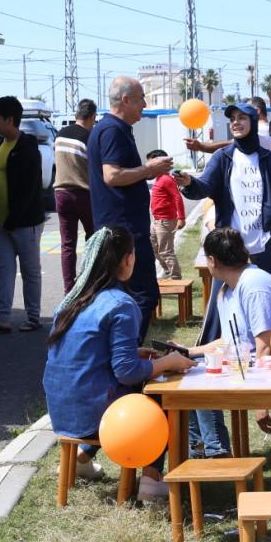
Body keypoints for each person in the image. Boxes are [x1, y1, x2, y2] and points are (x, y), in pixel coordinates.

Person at [43, 226, 194, 499]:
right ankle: (151, 481)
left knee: (120, 386)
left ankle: (81, 458)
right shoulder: (121, 304)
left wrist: (134, 352)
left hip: (62, 410)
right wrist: (169, 362)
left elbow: (85, 354)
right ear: (127, 260)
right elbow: (126, 373)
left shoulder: (70, 301)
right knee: (162, 394)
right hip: (96, 415)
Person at [174, 101, 271, 348]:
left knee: (267, 308)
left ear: (252, 122)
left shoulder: (269, 159)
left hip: (266, 246)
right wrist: (188, 182)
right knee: (223, 307)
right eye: (232, 119)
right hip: (231, 249)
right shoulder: (223, 157)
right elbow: (204, 186)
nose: (236, 123)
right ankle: (209, 354)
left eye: (242, 118)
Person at [190, 228, 271, 437]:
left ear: (212, 260)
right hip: (244, 365)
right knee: (186, 380)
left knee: (201, 389)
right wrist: (187, 352)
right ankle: (201, 449)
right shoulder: (227, 290)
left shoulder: (254, 286)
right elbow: (228, 341)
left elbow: (265, 347)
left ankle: (216, 452)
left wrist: (260, 403)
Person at [88, 76, 172, 342]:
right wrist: (150, 169)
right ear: (125, 100)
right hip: (124, 229)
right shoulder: (112, 130)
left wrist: (146, 173)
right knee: (144, 293)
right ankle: (127, 358)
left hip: (118, 226)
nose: (145, 105)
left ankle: (119, 357)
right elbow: (112, 176)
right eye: (140, 99)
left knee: (121, 296)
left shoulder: (111, 128)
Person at [0, 96, 46, 334]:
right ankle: (2, 318)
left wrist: (14, 219)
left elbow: (30, 189)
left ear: (10, 119)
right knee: (3, 269)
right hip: (1, 223)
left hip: (24, 223)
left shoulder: (27, 148)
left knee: (30, 271)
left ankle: (33, 317)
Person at [54, 98, 97, 288]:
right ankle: (90, 281)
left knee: (67, 245)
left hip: (61, 193)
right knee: (93, 239)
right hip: (84, 194)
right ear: (92, 117)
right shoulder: (89, 138)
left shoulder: (60, 135)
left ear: (76, 115)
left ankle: (69, 288)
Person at [184, 96, 271, 167]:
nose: (236, 122)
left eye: (246, 111)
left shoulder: (257, 130)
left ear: (257, 111)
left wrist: (201, 147)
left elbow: (229, 145)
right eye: (232, 119)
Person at [147, 149, 184, 280]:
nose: (149, 165)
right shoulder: (158, 179)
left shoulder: (166, 179)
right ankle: (168, 271)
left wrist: (181, 218)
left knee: (166, 251)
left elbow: (177, 198)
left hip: (166, 221)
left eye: (152, 162)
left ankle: (176, 278)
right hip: (156, 220)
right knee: (153, 247)